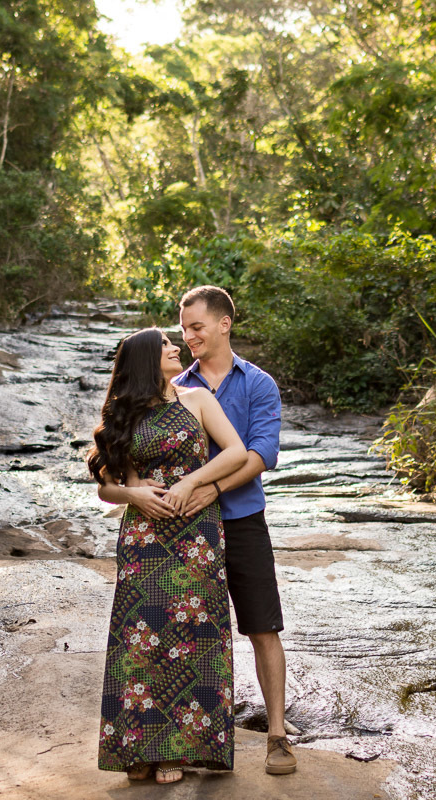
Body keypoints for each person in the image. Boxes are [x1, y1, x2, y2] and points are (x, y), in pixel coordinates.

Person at [101, 286, 297, 776]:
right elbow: (118, 471)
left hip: (240, 518)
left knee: (262, 625)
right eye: (181, 330)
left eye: (195, 328)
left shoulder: (257, 384)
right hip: (176, 531)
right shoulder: (167, 385)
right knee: (176, 632)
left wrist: (210, 488)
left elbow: (261, 452)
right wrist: (135, 493)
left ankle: (277, 736)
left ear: (223, 324)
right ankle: (161, 743)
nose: (187, 338)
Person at [89, 327, 248, 785]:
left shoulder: (196, 399)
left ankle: (177, 749)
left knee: (193, 634)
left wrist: (191, 481)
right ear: (144, 358)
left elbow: (236, 452)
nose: (175, 347)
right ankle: (138, 748)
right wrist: (134, 495)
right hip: (144, 535)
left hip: (196, 531)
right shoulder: (123, 412)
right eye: (164, 344)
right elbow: (107, 486)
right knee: (141, 639)